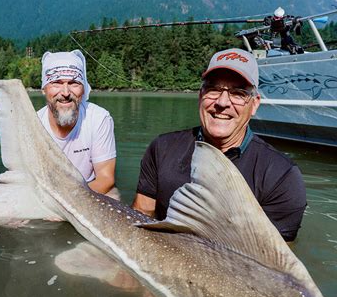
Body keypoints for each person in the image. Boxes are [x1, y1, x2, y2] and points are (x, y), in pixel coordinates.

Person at [132, 48, 306, 242]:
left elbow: (275, 262)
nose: (222, 102)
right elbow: (142, 216)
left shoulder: (281, 176)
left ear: (254, 104)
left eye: (238, 93)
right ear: (200, 96)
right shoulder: (162, 148)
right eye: (213, 89)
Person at [37, 50, 117, 196]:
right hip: (44, 194)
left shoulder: (99, 118)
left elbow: (106, 179)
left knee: (113, 193)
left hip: (88, 191)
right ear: (44, 89)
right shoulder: (34, 124)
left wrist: (66, 198)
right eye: (56, 83)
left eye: (74, 83)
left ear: (84, 88)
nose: (66, 92)